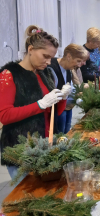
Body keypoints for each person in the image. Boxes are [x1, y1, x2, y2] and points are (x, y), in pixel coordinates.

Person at [0, 25, 70, 180]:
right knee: (26, 195)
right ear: (30, 49)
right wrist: (40, 105)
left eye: (51, 58)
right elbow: (4, 116)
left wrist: (62, 98)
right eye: (45, 56)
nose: (48, 61)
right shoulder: (9, 74)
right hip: (20, 148)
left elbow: (54, 112)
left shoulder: (44, 73)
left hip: (45, 144)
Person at [48, 44, 86, 134]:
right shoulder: (52, 68)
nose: (79, 65)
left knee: (67, 133)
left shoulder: (69, 68)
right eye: (78, 61)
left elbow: (69, 86)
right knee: (60, 135)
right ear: (69, 56)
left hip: (67, 106)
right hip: (57, 109)